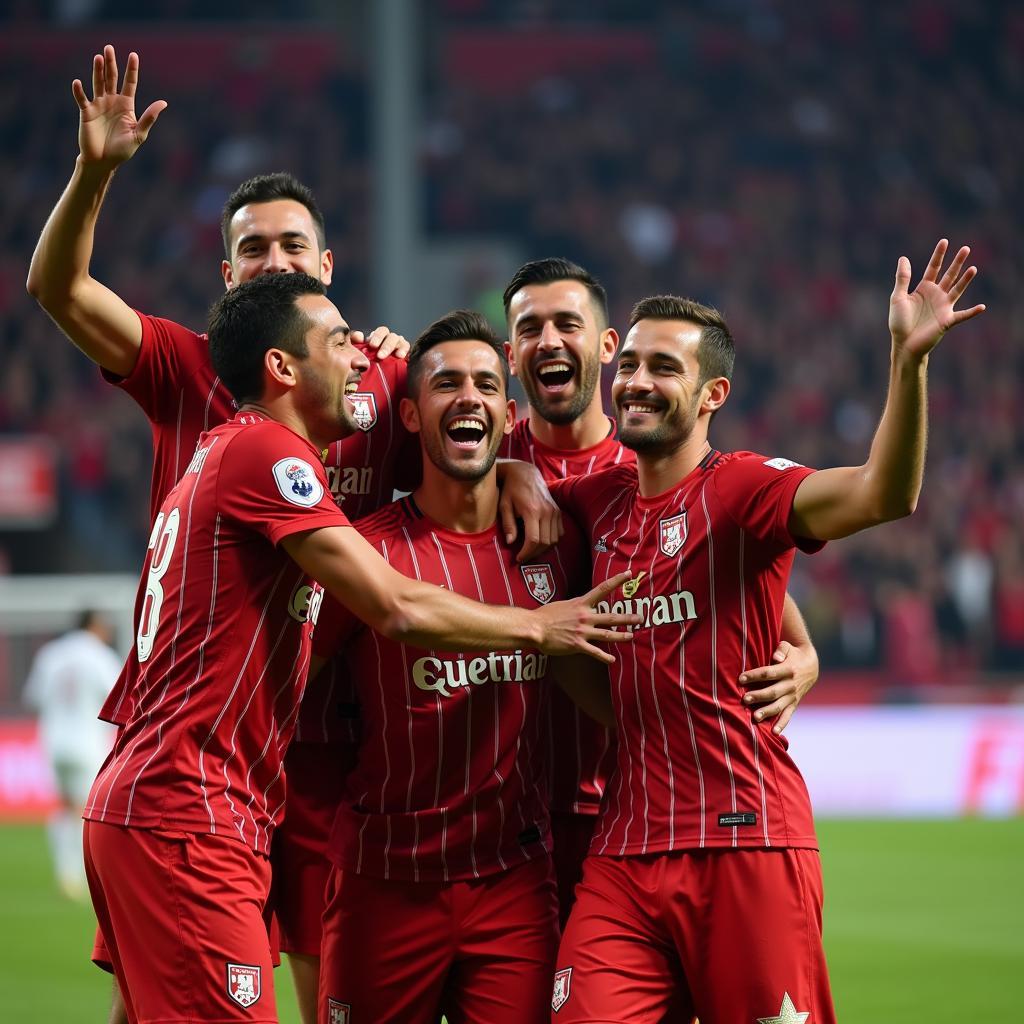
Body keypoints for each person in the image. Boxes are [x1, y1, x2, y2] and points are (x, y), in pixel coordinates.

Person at [26, 45, 557, 1022]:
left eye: (292, 247)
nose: (274, 260)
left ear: (327, 266)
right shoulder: (203, 379)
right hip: (201, 755)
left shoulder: (377, 383)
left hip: (316, 754)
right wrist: (95, 172)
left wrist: (515, 457)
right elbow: (59, 291)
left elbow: (470, 434)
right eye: (253, 249)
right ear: (231, 280)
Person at [81, 272, 637, 1024]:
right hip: (193, 809)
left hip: (178, 803)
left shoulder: (229, 455)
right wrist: (543, 626)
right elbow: (396, 604)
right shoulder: (271, 459)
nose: (360, 361)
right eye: (339, 341)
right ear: (283, 368)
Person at [546, 239, 984, 1023]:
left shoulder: (744, 487)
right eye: (632, 365)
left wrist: (908, 364)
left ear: (713, 393)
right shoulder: (592, 502)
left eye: (664, 369)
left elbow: (883, 495)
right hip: (622, 851)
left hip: (745, 838)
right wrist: (512, 473)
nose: (638, 382)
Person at [500, 257, 820, 928]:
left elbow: (729, 570)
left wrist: (804, 651)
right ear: (511, 352)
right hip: (494, 820)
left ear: (606, 347)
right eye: (530, 328)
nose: (550, 341)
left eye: (568, 324)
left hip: (616, 811)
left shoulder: (644, 469)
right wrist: (506, 468)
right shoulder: (471, 457)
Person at [313, 309, 613, 1024]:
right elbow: (284, 683)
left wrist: (798, 646)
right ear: (412, 415)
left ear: (508, 417)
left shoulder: (554, 545)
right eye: (447, 384)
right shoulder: (364, 555)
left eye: (485, 382)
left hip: (511, 884)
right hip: (383, 883)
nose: (469, 396)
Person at [23, 610, 120, 900]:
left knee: (66, 808)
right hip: (87, 742)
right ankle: (89, 876)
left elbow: (33, 697)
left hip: (54, 742)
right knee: (90, 812)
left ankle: (67, 872)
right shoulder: (99, 655)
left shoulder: (50, 654)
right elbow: (120, 693)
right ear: (94, 625)